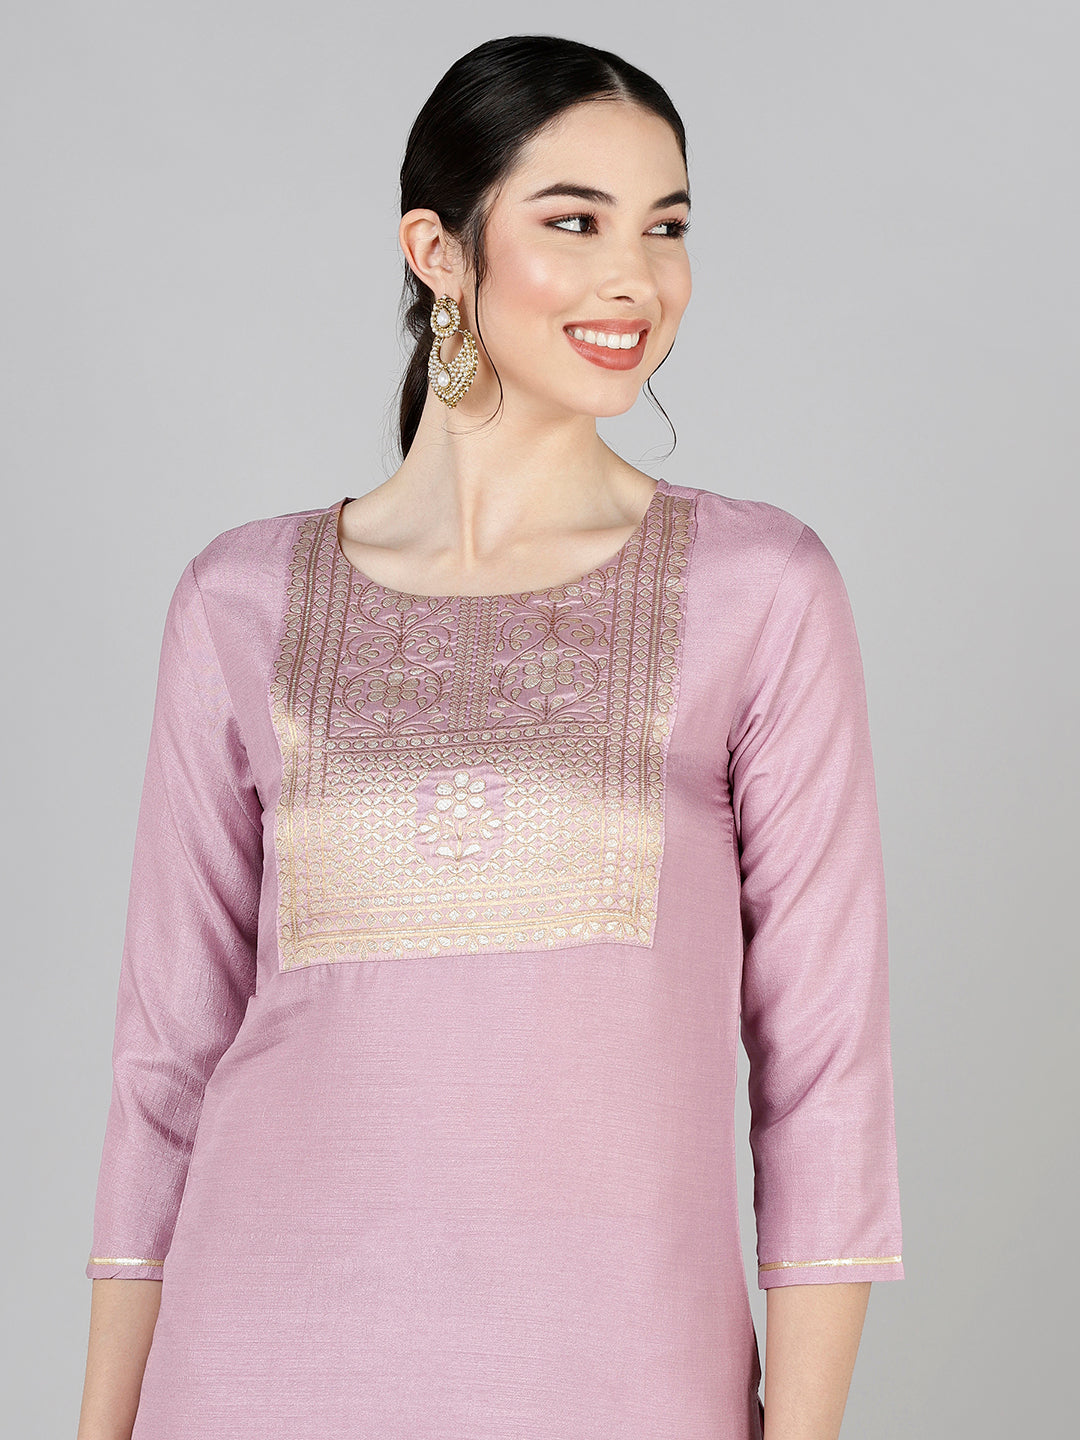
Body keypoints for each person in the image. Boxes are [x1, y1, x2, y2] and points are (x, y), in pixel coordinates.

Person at [77, 33, 903, 1440]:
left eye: (666, 229)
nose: (635, 278)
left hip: (622, 1379)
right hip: (253, 1370)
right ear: (437, 251)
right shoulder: (238, 601)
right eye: (575, 222)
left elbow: (825, 1070)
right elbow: (166, 1063)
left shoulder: (759, 591)